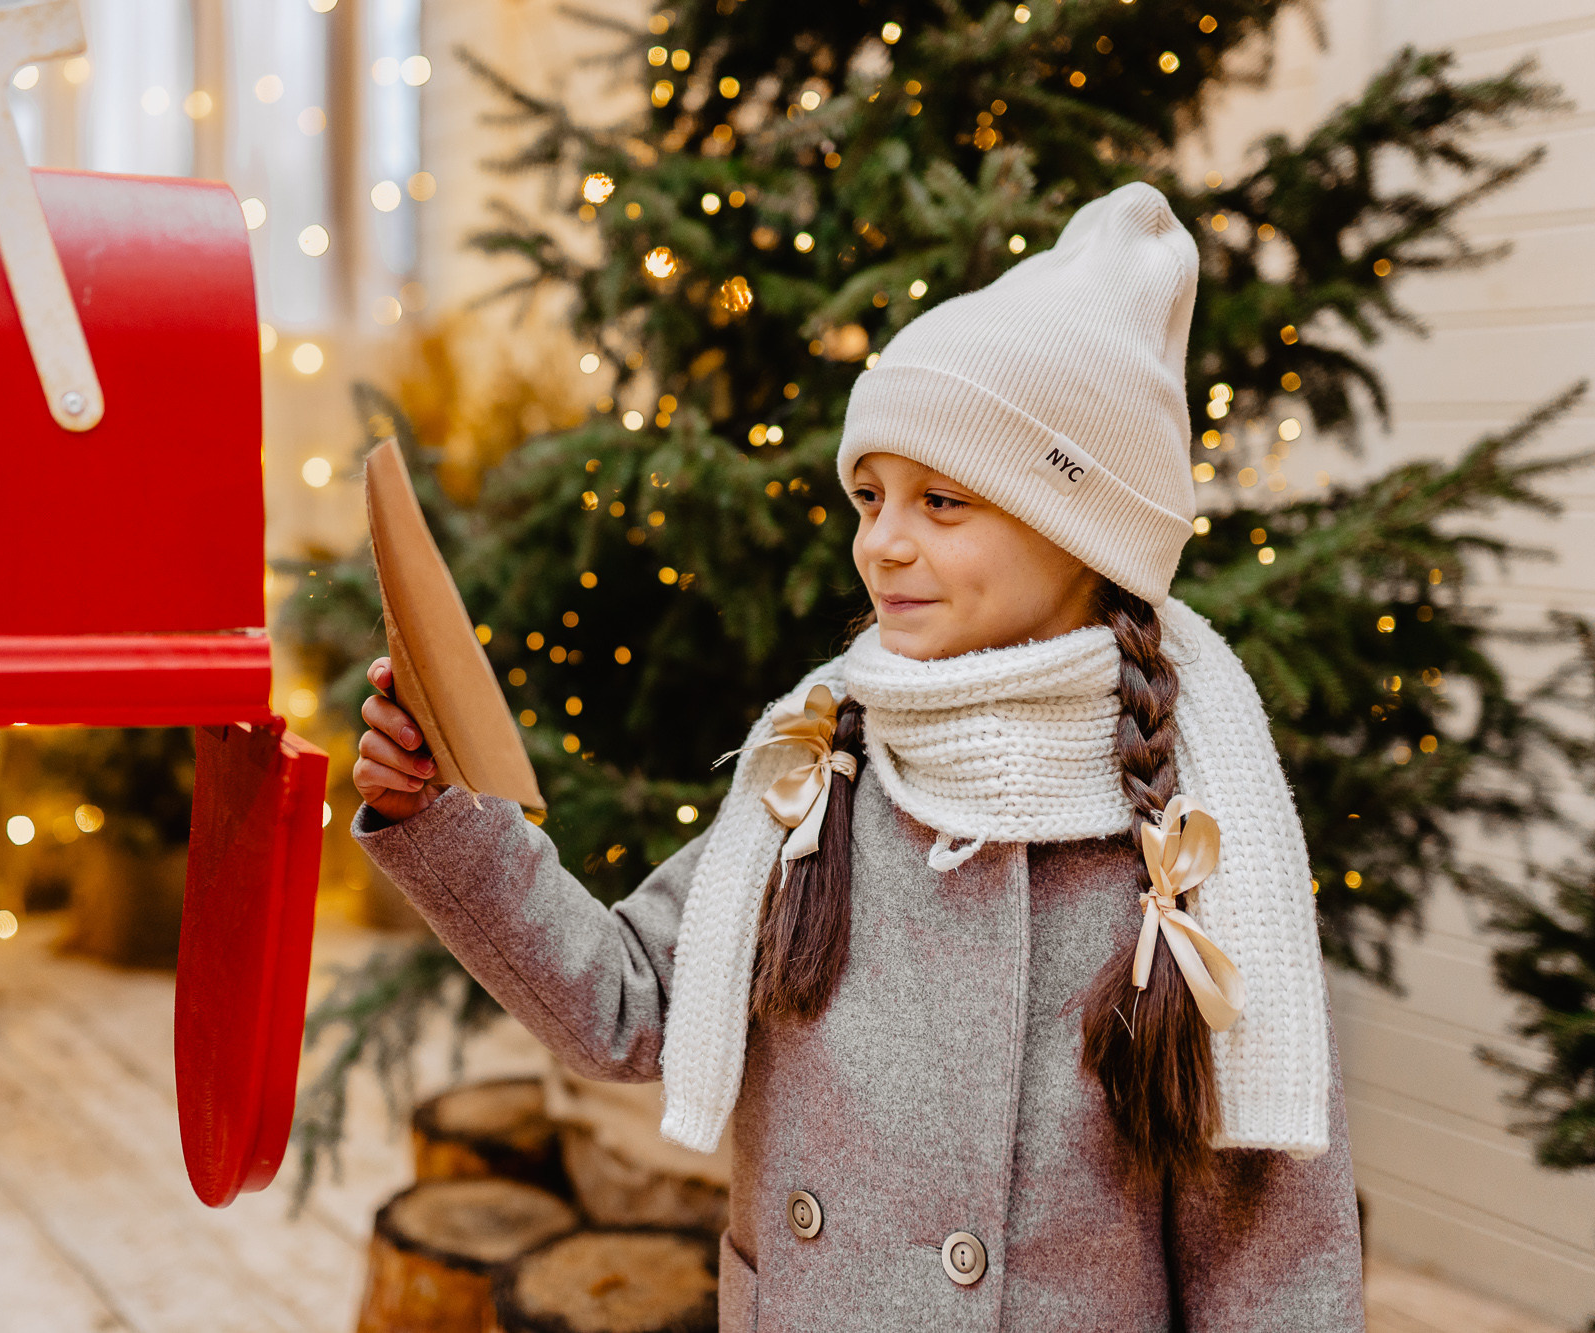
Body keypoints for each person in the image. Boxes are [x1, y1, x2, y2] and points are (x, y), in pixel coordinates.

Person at [351, 183, 1363, 1332]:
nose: (881, 542)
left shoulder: (1198, 841)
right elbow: (623, 1004)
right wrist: (439, 813)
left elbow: (1270, 1264)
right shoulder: (816, 771)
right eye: (870, 496)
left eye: (941, 501)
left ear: (1083, 534)